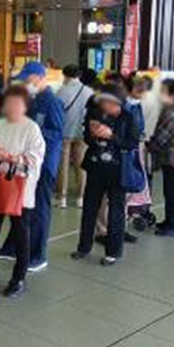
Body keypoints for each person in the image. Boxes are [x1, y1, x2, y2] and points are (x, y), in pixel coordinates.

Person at [0, 85, 45, 297]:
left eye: (17, 103)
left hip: (20, 188)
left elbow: (35, 158)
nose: (12, 107)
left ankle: (19, 278)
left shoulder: (31, 128)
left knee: (21, 232)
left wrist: (11, 158)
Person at [70, 84, 140, 266]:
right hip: (95, 166)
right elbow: (86, 137)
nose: (103, 105)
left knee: (116, 211)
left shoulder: (128, 117)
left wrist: (112, 136)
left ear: (117, 102)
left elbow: (132, 143)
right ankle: (83, 247)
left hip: (118, 171)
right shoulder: (95, 113)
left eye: (107, 102)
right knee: (89, 208)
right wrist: (92, 133)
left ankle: (113, 251)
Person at [4, 61, 63, 271]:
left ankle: (38, 254)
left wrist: (32, 131)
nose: (25, 83)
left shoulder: (52, 102)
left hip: (44, 163)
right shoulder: (34, 100)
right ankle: (13, 246)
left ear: (38, 77)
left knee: (39, 208)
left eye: (28, 78)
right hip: (27, 162)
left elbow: (57, 133)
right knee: (22, 204)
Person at [149, 79, 174, 236]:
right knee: (170, 192)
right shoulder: (172, 109)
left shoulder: (170, 113)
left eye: (163, 91)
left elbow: (160, 138)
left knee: (171, 193)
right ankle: (169, 221)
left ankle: (173, 226)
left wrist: (148, 146)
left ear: (172, 95)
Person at [55, 64, 92, 209]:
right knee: (81, 165)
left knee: (63, 165)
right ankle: (80, 197)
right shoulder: (88, 91)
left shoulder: (60, 92)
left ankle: (62, 198)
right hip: (82, 132)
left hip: (64, 132)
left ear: (65, 75)